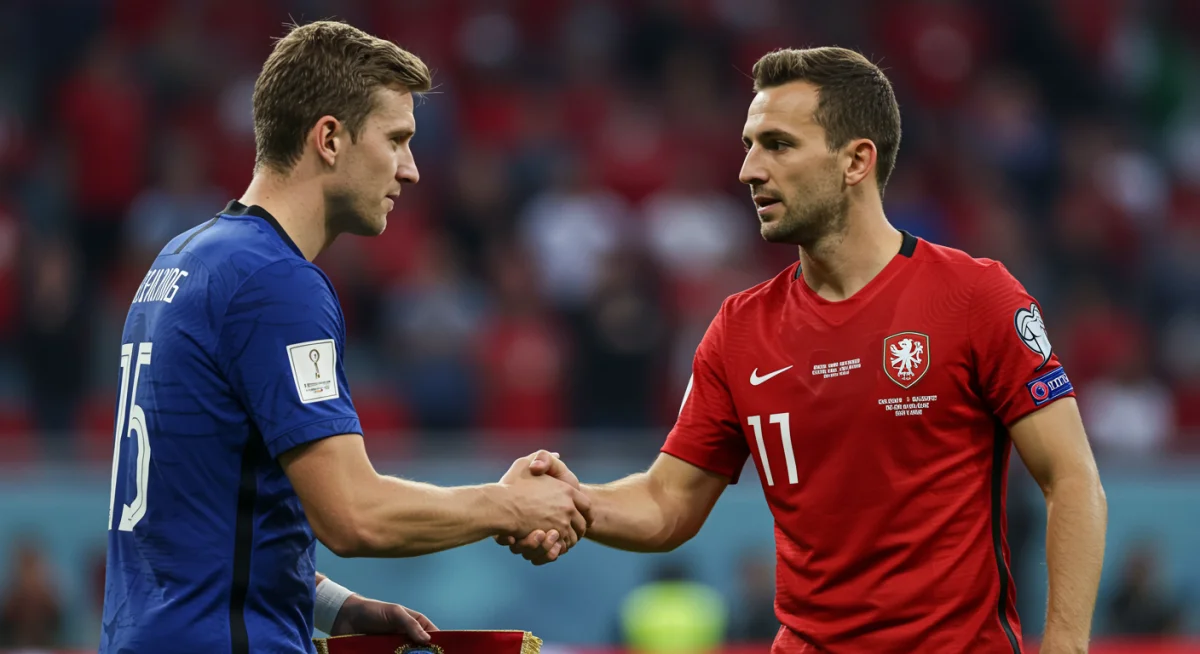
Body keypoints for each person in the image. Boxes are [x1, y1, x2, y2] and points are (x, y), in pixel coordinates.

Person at [505, 47, 1107, 653]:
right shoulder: (739, 330)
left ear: (856, 161)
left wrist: (1065, 646)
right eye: (748, 144)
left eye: (778, 144)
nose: (748, 169)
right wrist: (571, 501)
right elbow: (668, 503)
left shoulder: (976, 297)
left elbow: (1072, 479)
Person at [100, 21, 590, 654]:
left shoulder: (181, 259)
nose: (411, 170)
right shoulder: (275, 281)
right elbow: (353, 515)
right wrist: (511, 506)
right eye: (396, 139)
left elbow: (199, 516)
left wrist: (337, 606)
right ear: (329, 138)